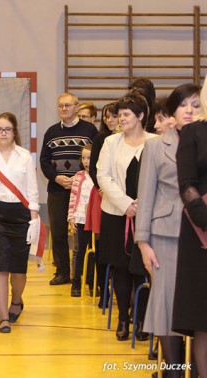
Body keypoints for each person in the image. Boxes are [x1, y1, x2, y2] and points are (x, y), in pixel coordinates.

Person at [135, 83, 200, 377]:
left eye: (196, 104)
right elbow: (146, 196)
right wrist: (143, 242)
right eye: (183, 105)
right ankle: (172, 371)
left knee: (200, 306)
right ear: (171, 113)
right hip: (166, 236)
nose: (189, 110)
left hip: (202, 235)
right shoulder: (155, 146)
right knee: (165, 306)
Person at [97, 92, 157, 341]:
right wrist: (125, 204)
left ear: (141, 116)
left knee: (142, 270)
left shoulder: (156, 141)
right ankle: (123, 319)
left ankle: (142, 320)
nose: (121, 119)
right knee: (121, 269)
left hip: (149, 215)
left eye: (126, 114)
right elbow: (104, 176)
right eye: (119, 114)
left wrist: (143, 206)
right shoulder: (111, 142)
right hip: (116, 214)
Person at [0, 112, 39, 333]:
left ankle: (16, 301)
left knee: (19, 271)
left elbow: (32, 191)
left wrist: (34, 221)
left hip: (21, 216)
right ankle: (3, 316)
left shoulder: (25, 157)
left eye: (8, 129)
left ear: (14, 132)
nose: (3, 133)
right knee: (0, 269)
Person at [40, 92, 97, 286]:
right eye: (61, 106)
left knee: (83, 232)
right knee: (57, 231)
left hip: (84, 189)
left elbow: (96, 158)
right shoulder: (51, 132)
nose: (64, 109)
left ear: (76, 107)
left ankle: (82, 275)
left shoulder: (90, 130)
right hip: (57, 189)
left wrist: (80, 178)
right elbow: (44, 161)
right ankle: (62, 272)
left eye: (68, 105)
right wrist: (57, 177)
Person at [174, 80, 207, 378]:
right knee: (204, 320)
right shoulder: (195, 131)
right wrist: (205, 219)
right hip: (201, 233)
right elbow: (187, 183)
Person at [86, 102, 119, 307]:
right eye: (106, 116)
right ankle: (102, 289)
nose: (109, 120)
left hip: (124, 197)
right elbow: (94, 170)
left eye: (113, 116)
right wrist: (104, 188)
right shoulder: (100, 139)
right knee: (102, 244)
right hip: (102, 195)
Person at [67, 144, 94, 297]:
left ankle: (91, 282)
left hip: (93, 222)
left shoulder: (99, 177)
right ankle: (76, 281)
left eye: (89, 158)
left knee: (93, 253)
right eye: (83, 158)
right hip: (80, 219)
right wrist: (71, 217)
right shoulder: (79, 176)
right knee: (79, 251)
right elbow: (73, 197)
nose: (86, 161)